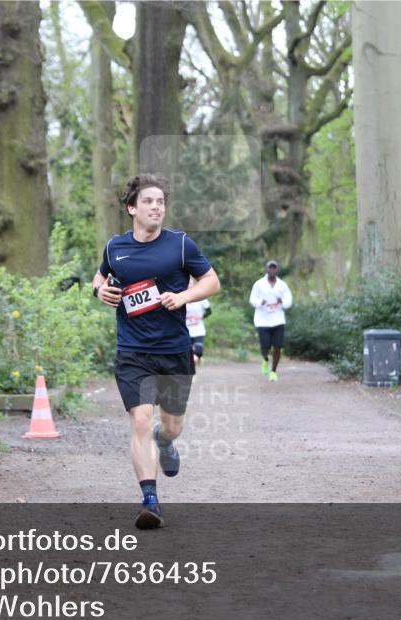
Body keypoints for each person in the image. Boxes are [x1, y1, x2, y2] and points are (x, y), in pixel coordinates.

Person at [92, 174, 221, 529]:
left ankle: (166, 443)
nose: (156, 207)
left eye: (160, 202)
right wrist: (99, 292)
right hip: (132, 350)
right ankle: (150, 499)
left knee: (171, 425)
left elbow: (212, 281)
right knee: (140, 419)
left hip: (173, 350)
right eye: (148, 201)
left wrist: (182, 296)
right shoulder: (115, 247)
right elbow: (100, 278)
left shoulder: (180, 245)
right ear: (132, 208)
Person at [249, 259, 292, 382]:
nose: (272, 270)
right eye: (270, 268)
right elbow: (252, 299)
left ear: (277, 270)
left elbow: (289, 300)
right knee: (265, 347)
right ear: (267, 269)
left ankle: (273, 371)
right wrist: (260, 302)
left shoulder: (282, 285)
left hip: (278, 319)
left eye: (274, 268)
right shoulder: (259, 284)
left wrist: (281, 301)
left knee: (278, 347)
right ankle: (265, 360)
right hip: (262, 320)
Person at [185, 277, 211, 367]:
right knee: (188, 354)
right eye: (187, 284)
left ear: (194, 285)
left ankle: (194, 364)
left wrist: (200, 317)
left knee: (198, 352)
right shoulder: (181, 297)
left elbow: (209, 311)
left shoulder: (201, 297)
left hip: (198, 329)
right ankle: (192, 372)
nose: (189, 286)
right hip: (186, 329)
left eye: (191, 284)